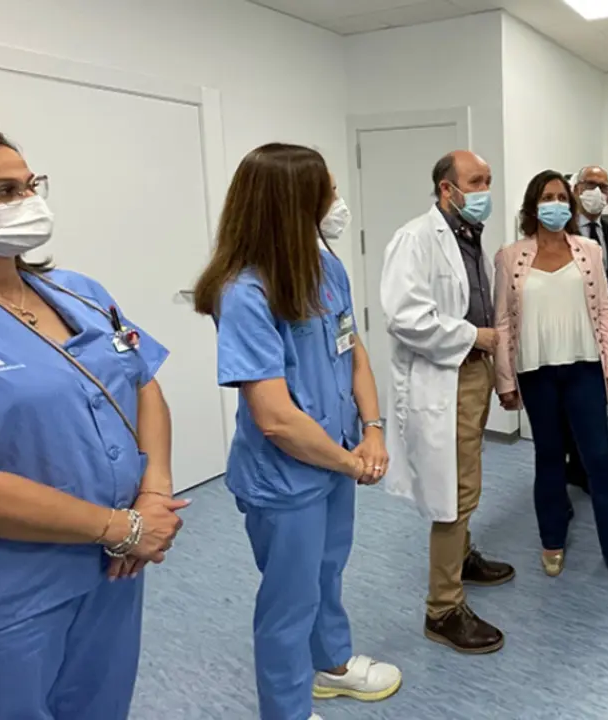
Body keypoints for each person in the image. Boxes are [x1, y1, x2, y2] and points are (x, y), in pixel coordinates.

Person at [0, 128, 187, 720]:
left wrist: (154, 497)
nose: (27, 202)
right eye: (2, 190)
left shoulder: (79, 292)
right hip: (14, 587)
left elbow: (144, 382)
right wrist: (116, 527)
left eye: (30, 185)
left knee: (100, 704)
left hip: (117, 565)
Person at [193, 144, 401, 720]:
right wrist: (350, 461)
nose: (336, 204)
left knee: (328, 569)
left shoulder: (325, 266)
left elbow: (352, 347)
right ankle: (285, 711)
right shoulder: (245, 293)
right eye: (327, 193)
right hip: (286, 477)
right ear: (294, 204)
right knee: (289, 600)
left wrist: (374, 429)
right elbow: (276, 418)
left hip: (336, 459)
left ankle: (331, 666)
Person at [380, 150, 515, 655]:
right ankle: (443, 608)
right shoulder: (415, 238)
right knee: (451, 491)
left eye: (488, 181)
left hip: (472, 371)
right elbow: (405, 317)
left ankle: (462, 556)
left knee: (467, 475)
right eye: (476, 182)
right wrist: (472, 334)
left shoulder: (467, 237)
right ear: (446, 189)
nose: (485, 190)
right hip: (446, 374)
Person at [494, 170, 608, 588]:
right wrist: (505, 380)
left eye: (563, 196)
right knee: (548, 458)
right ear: (533, 205)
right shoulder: (510, 256)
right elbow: (504, 322)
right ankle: (551, 539)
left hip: (584, 367)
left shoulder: (590, 250)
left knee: (599, 460)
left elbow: (603, 311)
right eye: (548, 196)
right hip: (535, 371)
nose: (556, 203)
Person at [564, 166, 608, 495]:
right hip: (565, 333)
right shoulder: (560, 230)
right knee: (565, 407)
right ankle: (568, 468)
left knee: (593, 403)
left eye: (603, 187)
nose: (596, 192)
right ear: (576, 189)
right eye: (590, 184)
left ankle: (584, 468)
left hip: (599, 333)